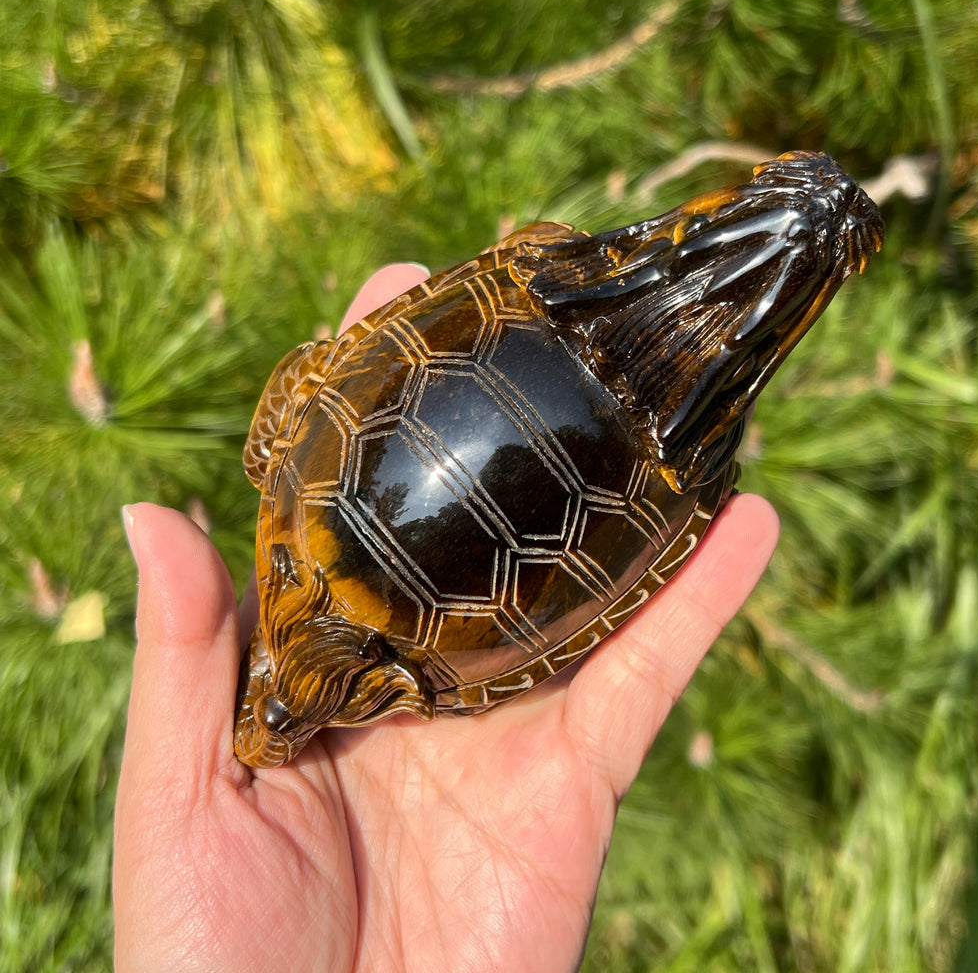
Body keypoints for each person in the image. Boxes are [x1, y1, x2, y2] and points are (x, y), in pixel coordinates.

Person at [112, 263, 780, 973]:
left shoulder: (420, 678)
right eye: (283, 715)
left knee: (722, 360)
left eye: (273, 710)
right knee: (725, 358)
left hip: (568, 385)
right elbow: (305, 380)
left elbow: (304, 385)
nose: (266, 725)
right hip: (566, 370)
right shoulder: (306, 520)